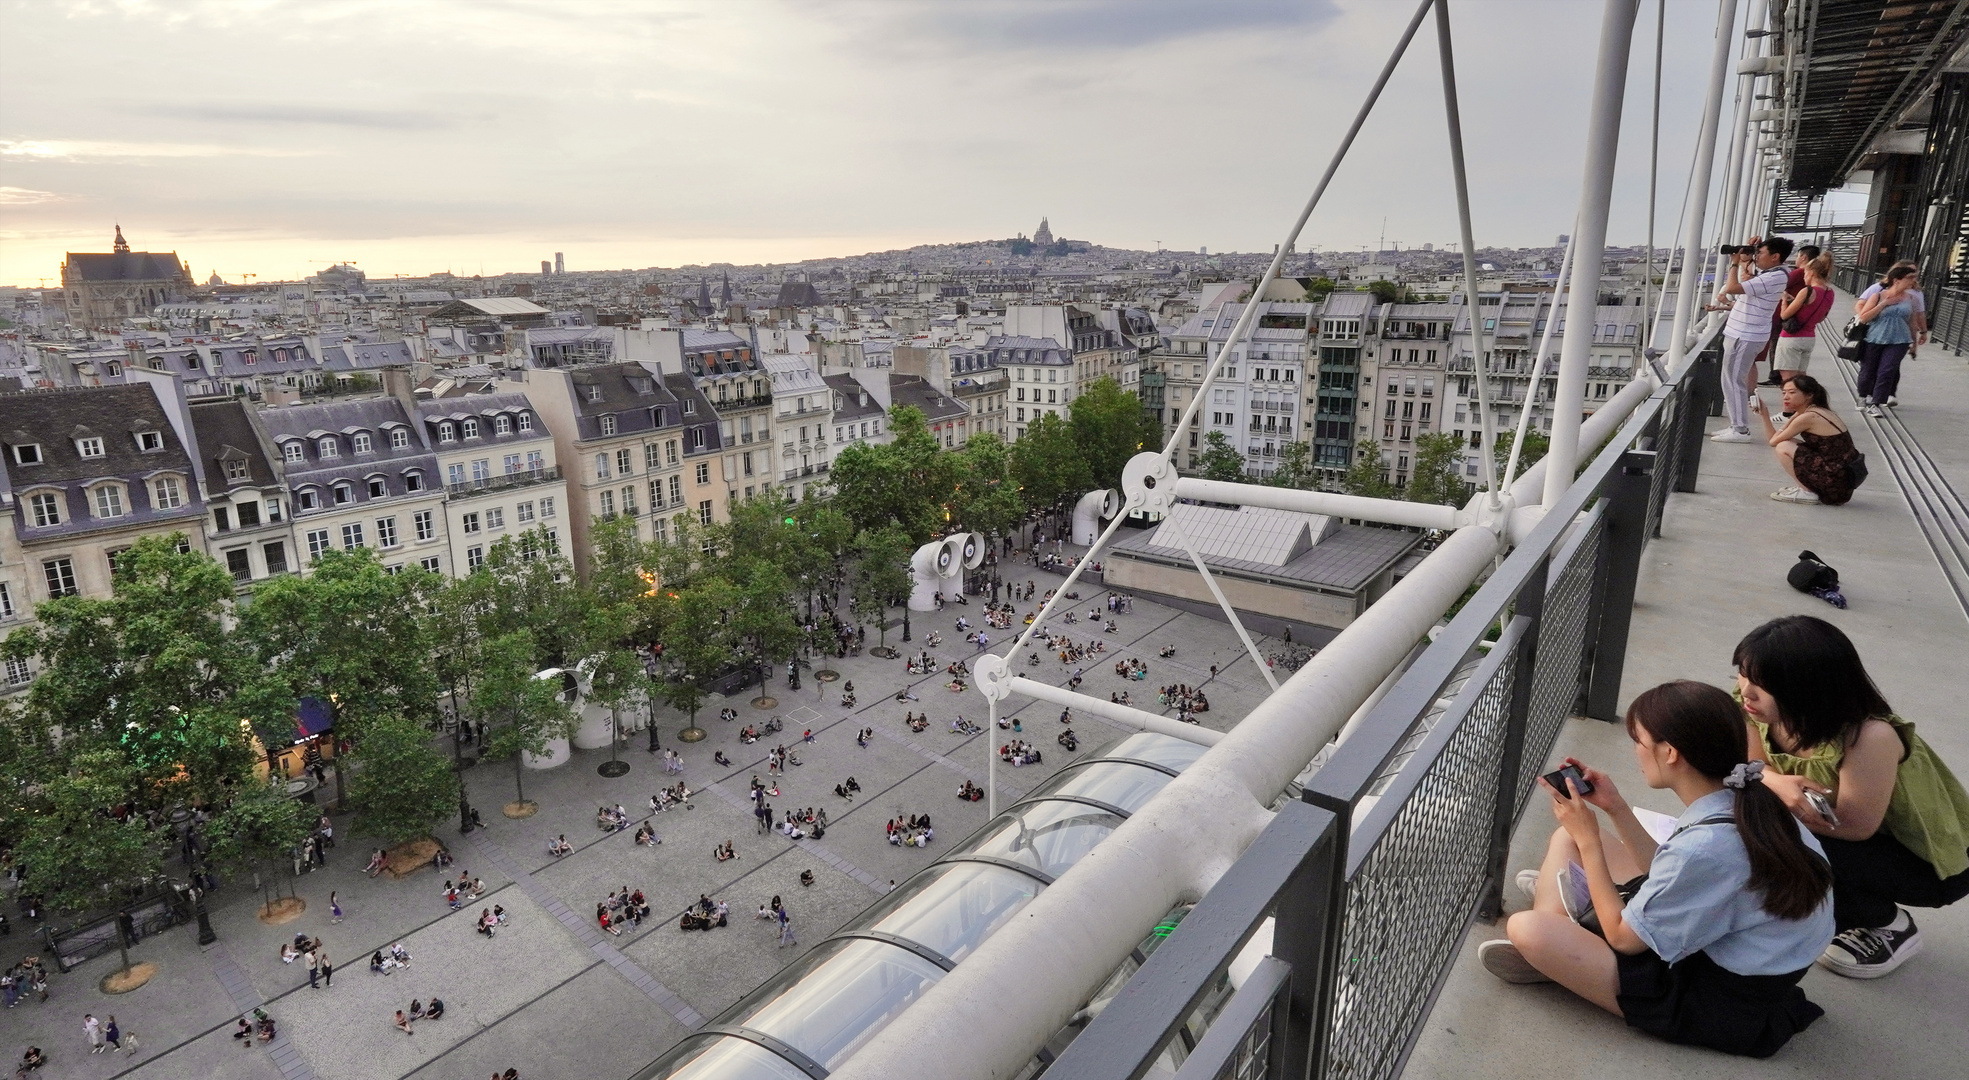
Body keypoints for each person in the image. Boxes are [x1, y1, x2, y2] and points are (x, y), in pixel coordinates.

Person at [1480, 681, 1834, 1058]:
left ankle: (1562, 949)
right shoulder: (1748, 798)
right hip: (1724, 943)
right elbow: (1671, 868)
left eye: (1639, 741)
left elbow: (1623, 938)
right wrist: (1615, 807)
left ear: (1669, 753)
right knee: (1566, 841)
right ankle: (1571, 937)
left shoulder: (1708, 847)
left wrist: (1589, 840)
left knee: (1528, 926)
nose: (1635, 751)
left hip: (1717, 996)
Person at [1735, 616, 1969, 977]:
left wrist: (1769, 808)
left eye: (1765, 684)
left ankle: (1888, 924)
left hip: (1932, 861)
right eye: (1743, 673)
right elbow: (1753, 764)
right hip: (1855, 836)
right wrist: (1777, 783)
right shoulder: (1756, 709)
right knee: (1750, 811)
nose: (1747, 690)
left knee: (1777, 831)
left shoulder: (1868, 736)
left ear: (1809, 687)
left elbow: (1853, 826)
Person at [1709, 235, 1793, 442]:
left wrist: (1735, 264)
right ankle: (1735, 425)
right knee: (1730, 380)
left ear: (1775, 257)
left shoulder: (1774, 277)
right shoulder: (1773, 274)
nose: (1757, 256)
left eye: (1761, 253)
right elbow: (1748, 281)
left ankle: (1740, 429)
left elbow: (1732, 288)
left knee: (1733, 381)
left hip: (1745, 335)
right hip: (1743, 333)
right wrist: (1749, 258)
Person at [1751, 375, 1856, 505]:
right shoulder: (1812, 410)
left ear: (1809, 395)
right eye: (1784, 392)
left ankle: (1807, 492)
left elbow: (1774, 442)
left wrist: (1766, 415)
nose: (1786, 397)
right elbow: (1776, 437)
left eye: (1792, 392)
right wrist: (1764, 414)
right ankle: (1808, 489)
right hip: (1841, 480)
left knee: (1783, 447)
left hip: (1834, 483)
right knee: (1787, 443)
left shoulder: (1809, 416)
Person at [1853, 265, 1920, 417]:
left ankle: (1875, 403)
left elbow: (1912, 322)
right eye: (1909, 278)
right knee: (1868, 370)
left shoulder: (1912, 299)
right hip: (1874, 338)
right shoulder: (1878, 296)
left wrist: (1914, 344)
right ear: (1896, 280)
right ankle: (1863, 396)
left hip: (1899, 340)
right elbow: (1864, 317)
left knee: (1887, 371)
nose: (1913, 281)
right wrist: (1883, 304)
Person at [1770, 250, 1833, 388]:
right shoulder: (1829, 292)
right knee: (1801, 380)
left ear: (1811, 273)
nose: (1804, 276)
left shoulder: (1807, 291)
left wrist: (1785, 300)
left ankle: (1789, 410)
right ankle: (1802, 408)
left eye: (1805, 273)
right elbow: (1821, 317)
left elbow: (1784, 315)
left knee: (1789, 383)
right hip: (1809, 338)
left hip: (1791, 339)